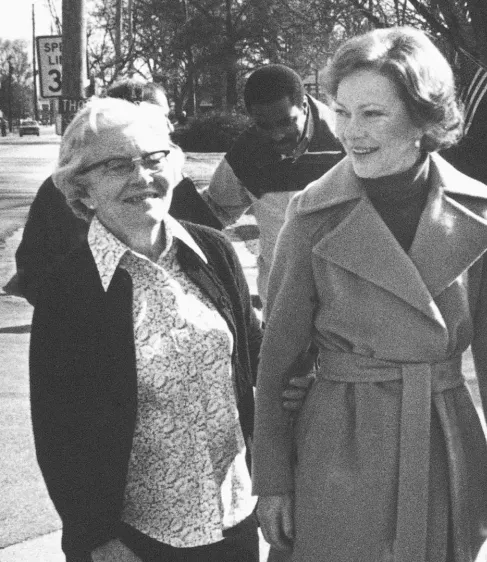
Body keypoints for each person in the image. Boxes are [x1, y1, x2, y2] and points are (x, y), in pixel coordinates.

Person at [251, 27, 487, 561]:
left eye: (373, 114)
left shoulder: (479, 212)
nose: (351, 132)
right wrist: (272, 479)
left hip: (442, 432)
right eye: (342, 111)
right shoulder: (312, 215)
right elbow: (277, 361)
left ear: (422, 119)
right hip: (340, 442)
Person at [29, 97, 262, 562]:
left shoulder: (213, 252)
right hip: (135, 539)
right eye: (117, 165)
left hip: (233, 521)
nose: (142, 177)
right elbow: (58, 431)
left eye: (154, 159)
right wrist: (96, 538)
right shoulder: (69, 288)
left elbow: (259, 370)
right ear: (83, 187)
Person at [9, 78, 221, 306]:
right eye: (117, 166)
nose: (169, 127)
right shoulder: (63, 188)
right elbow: (33, 267)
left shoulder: (166, 178)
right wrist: (68, 308)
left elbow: (208, 247)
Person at [203, 64, 342, 313]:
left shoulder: (347, 139)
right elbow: (210, 214)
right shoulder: (246, 153)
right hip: (281, 306)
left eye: (286, 122)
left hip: (346, 306)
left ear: (305, 106)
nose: (277, 135)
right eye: (263, 125)